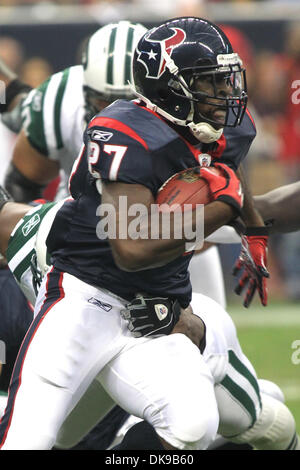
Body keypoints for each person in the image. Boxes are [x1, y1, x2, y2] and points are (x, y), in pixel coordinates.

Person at [0, 17, 292, 451]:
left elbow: (242, 184)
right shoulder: (114, 126)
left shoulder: (213, 124)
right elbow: (132, 246)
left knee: (200, 426)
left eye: (223, 79)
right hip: (74, 275)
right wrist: (225, 204)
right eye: (210, 82)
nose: (226, 93)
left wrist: (250, 225)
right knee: (35, 435)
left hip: (156, 305)